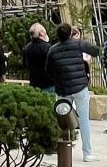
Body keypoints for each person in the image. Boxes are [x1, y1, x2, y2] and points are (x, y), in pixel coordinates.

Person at [43, 22, 100, 159]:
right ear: (70, 34)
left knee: (62, 119)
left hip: (62, 88)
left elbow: (48, 71)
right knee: (84, 119)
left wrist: (58, 78)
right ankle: (87, 153)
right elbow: (96, 51)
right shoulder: (78, 44)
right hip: (80, 87)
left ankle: (62, 147)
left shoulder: (52, 50)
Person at [21, 21, 53, 90]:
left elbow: (25, 65)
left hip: (34, 83)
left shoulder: (26, 48)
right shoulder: (47, 47)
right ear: (41, 33)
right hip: (48, 83)